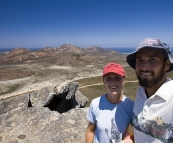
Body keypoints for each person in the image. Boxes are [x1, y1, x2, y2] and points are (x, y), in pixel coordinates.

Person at [126, 37, 173, 143]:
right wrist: (128, 138)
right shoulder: (141, 92)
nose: (144, 67)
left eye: (152, 59)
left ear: (167, 64)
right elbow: (138, 122)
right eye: (140, 60)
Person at [86, 62, 134, 143]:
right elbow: (90, 131)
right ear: (104, 82)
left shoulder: (131, 106)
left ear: (124, 81)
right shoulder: (95, 104)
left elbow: (134, 134)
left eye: (117, 77)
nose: (113, 82)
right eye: (108, 78)